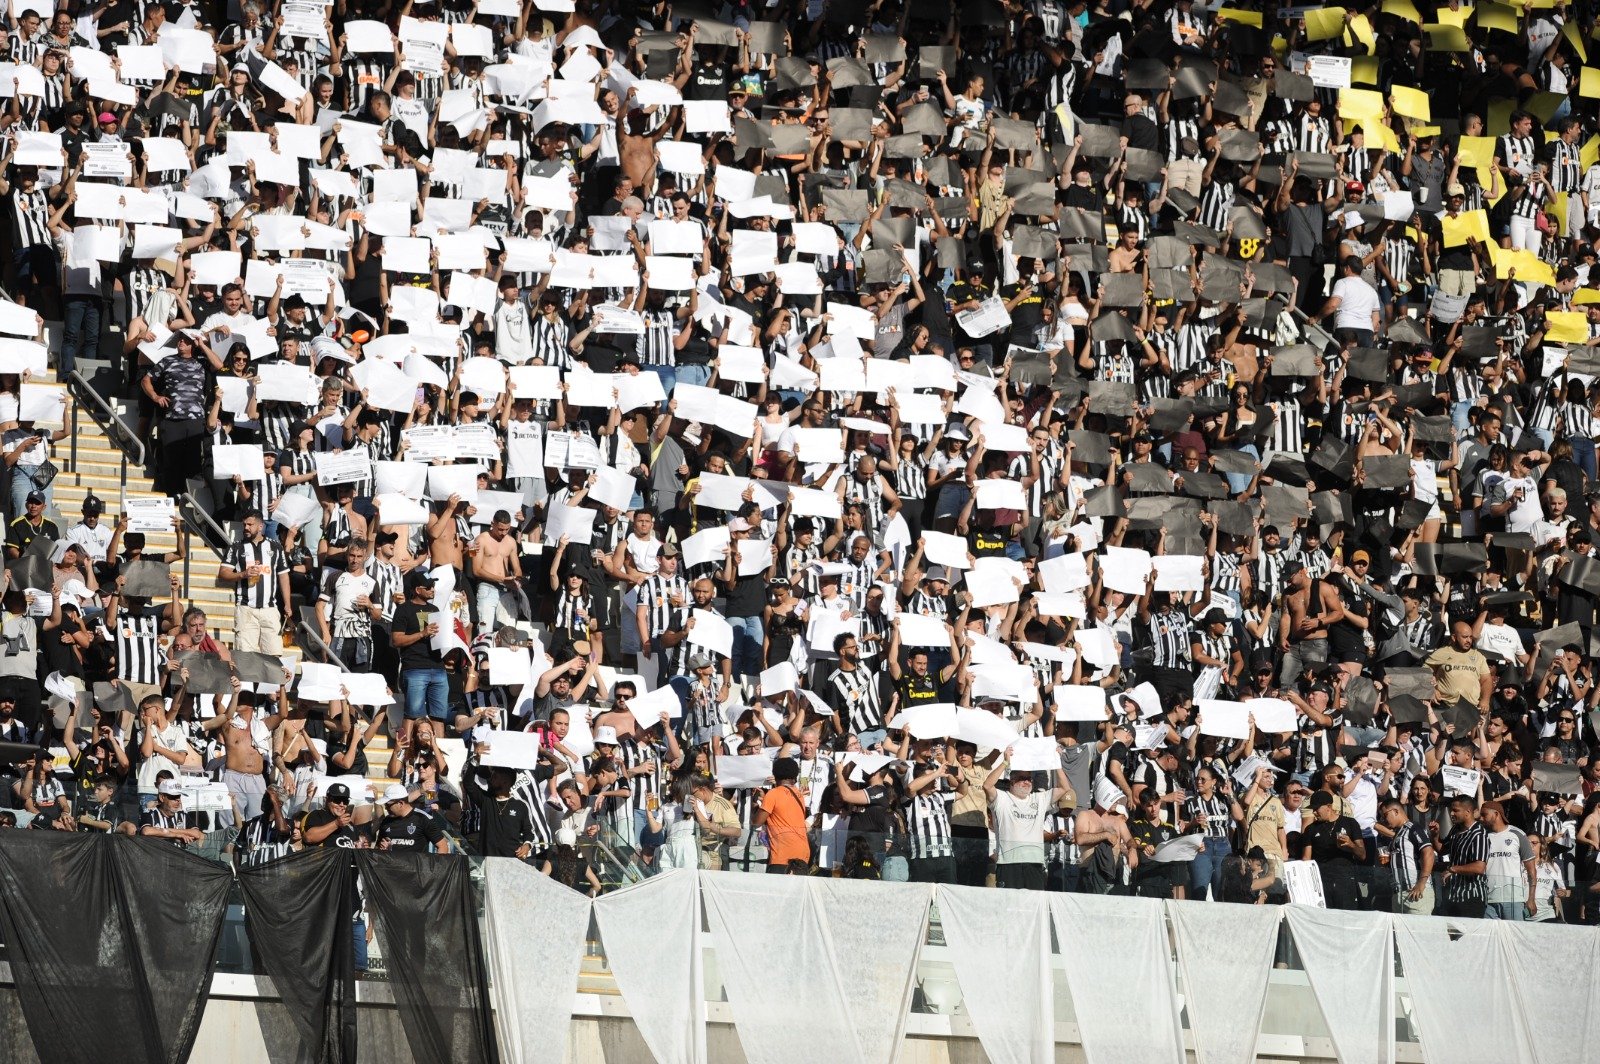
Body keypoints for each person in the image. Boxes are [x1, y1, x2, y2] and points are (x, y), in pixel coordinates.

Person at [754, 758, 810, 874]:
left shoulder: (773, 794)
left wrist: (755, 804)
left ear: (775, 774)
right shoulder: (798, 794)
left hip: (783, 855)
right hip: (802, 854)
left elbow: (757, 822)